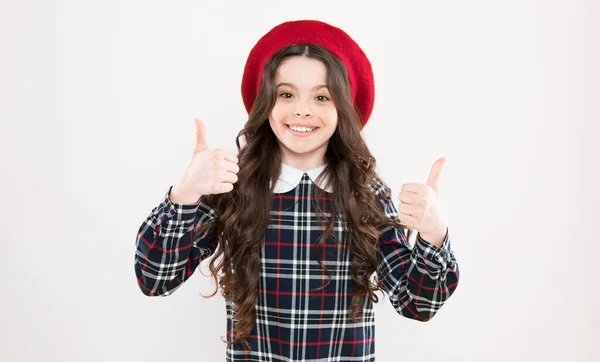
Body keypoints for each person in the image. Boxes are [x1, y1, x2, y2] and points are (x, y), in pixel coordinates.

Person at [134, 20, 460, 361]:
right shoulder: (233, 185)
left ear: (343, 110)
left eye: (321, 97)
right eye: (286, 94)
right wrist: (185, 193)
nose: (302, 110)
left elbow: (417, 304)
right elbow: (154, 278)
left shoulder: (366, 192)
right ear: (266, 103)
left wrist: (434, 233)